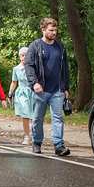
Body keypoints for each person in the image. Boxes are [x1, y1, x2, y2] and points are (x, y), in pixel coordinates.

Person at [25, 17, 71, 156]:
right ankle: (37, 142)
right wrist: (34, 83)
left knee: (58, 118)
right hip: (41, 90)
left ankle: (59, 145)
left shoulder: (60, 47)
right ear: (43, 29)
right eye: (51, 30)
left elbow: (65, 68)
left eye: (55, 30)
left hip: (57, 90)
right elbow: (29, 65)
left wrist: (66, 87)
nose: (54, 32)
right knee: (38, 118)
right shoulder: (35, 46)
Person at [8, 47, 34, 144]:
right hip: (22, 93)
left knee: (35, 115)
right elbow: (14, 82)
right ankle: (27, 136)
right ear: (19, 57)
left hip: (33, 92)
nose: (24, 57)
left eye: (26, 55)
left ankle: (34, 135)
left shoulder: (33, 67)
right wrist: (10, 94)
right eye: (22, 55)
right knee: (25, 114)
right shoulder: (16, 69)